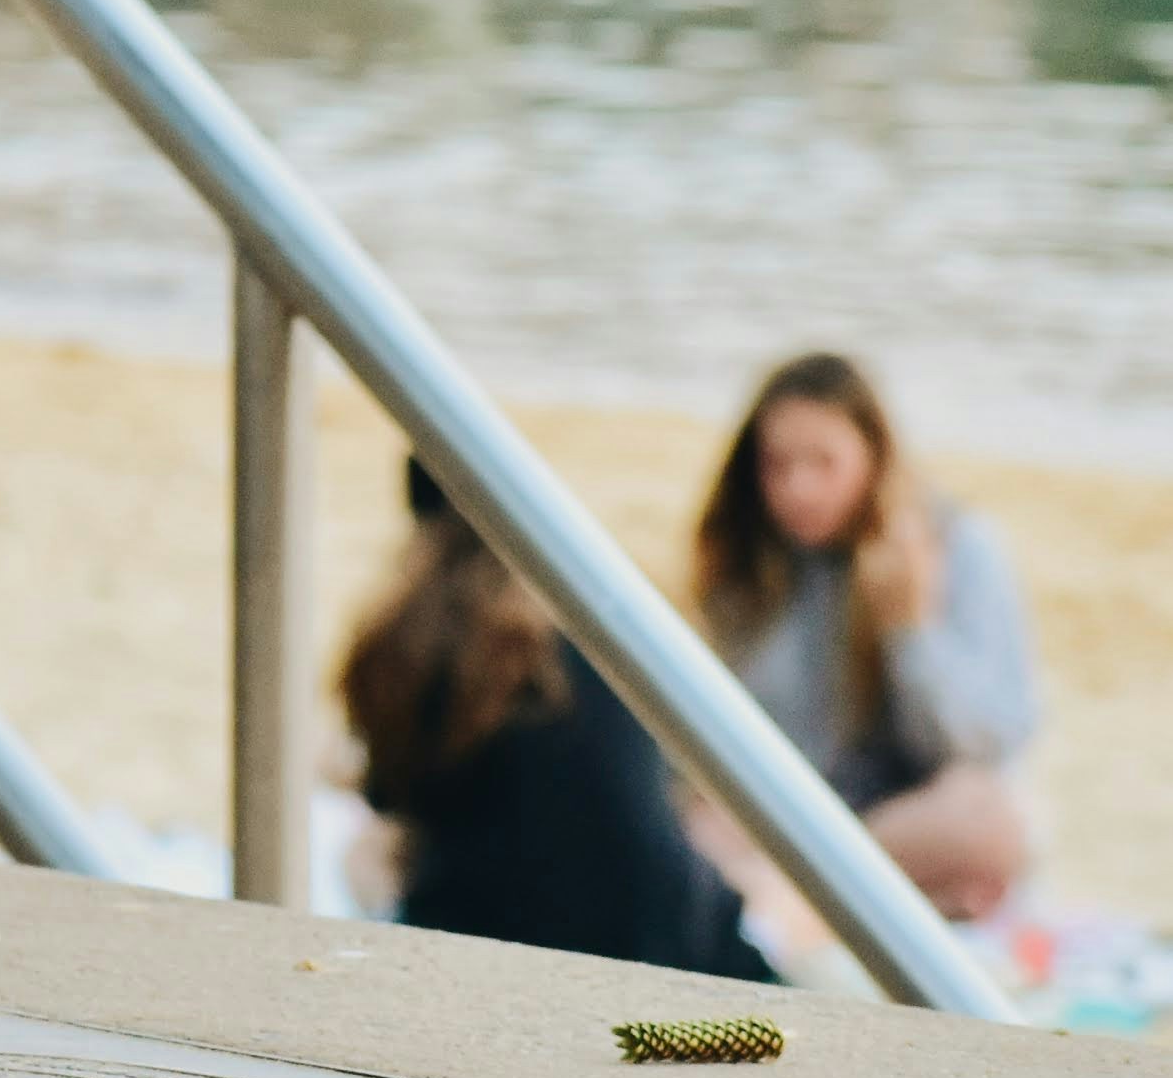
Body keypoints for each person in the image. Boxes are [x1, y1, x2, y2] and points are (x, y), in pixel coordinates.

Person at [341, 464, 774, 981]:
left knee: (359, 856)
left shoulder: (423, 636)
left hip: (502, 943)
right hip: (677, 941)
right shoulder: (595, 626)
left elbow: (389, 795)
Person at [688, 354, 1038, 928]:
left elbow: (989, 744)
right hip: (787, 814)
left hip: (902, 820)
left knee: (992, 821)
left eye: (823, 462)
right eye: (777, 464)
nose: (799, 487)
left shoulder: (957, 545)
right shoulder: (748, 557)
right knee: (689, 823)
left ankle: (810, 898)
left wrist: (911, 631)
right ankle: (832, 902)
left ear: (874, 456)